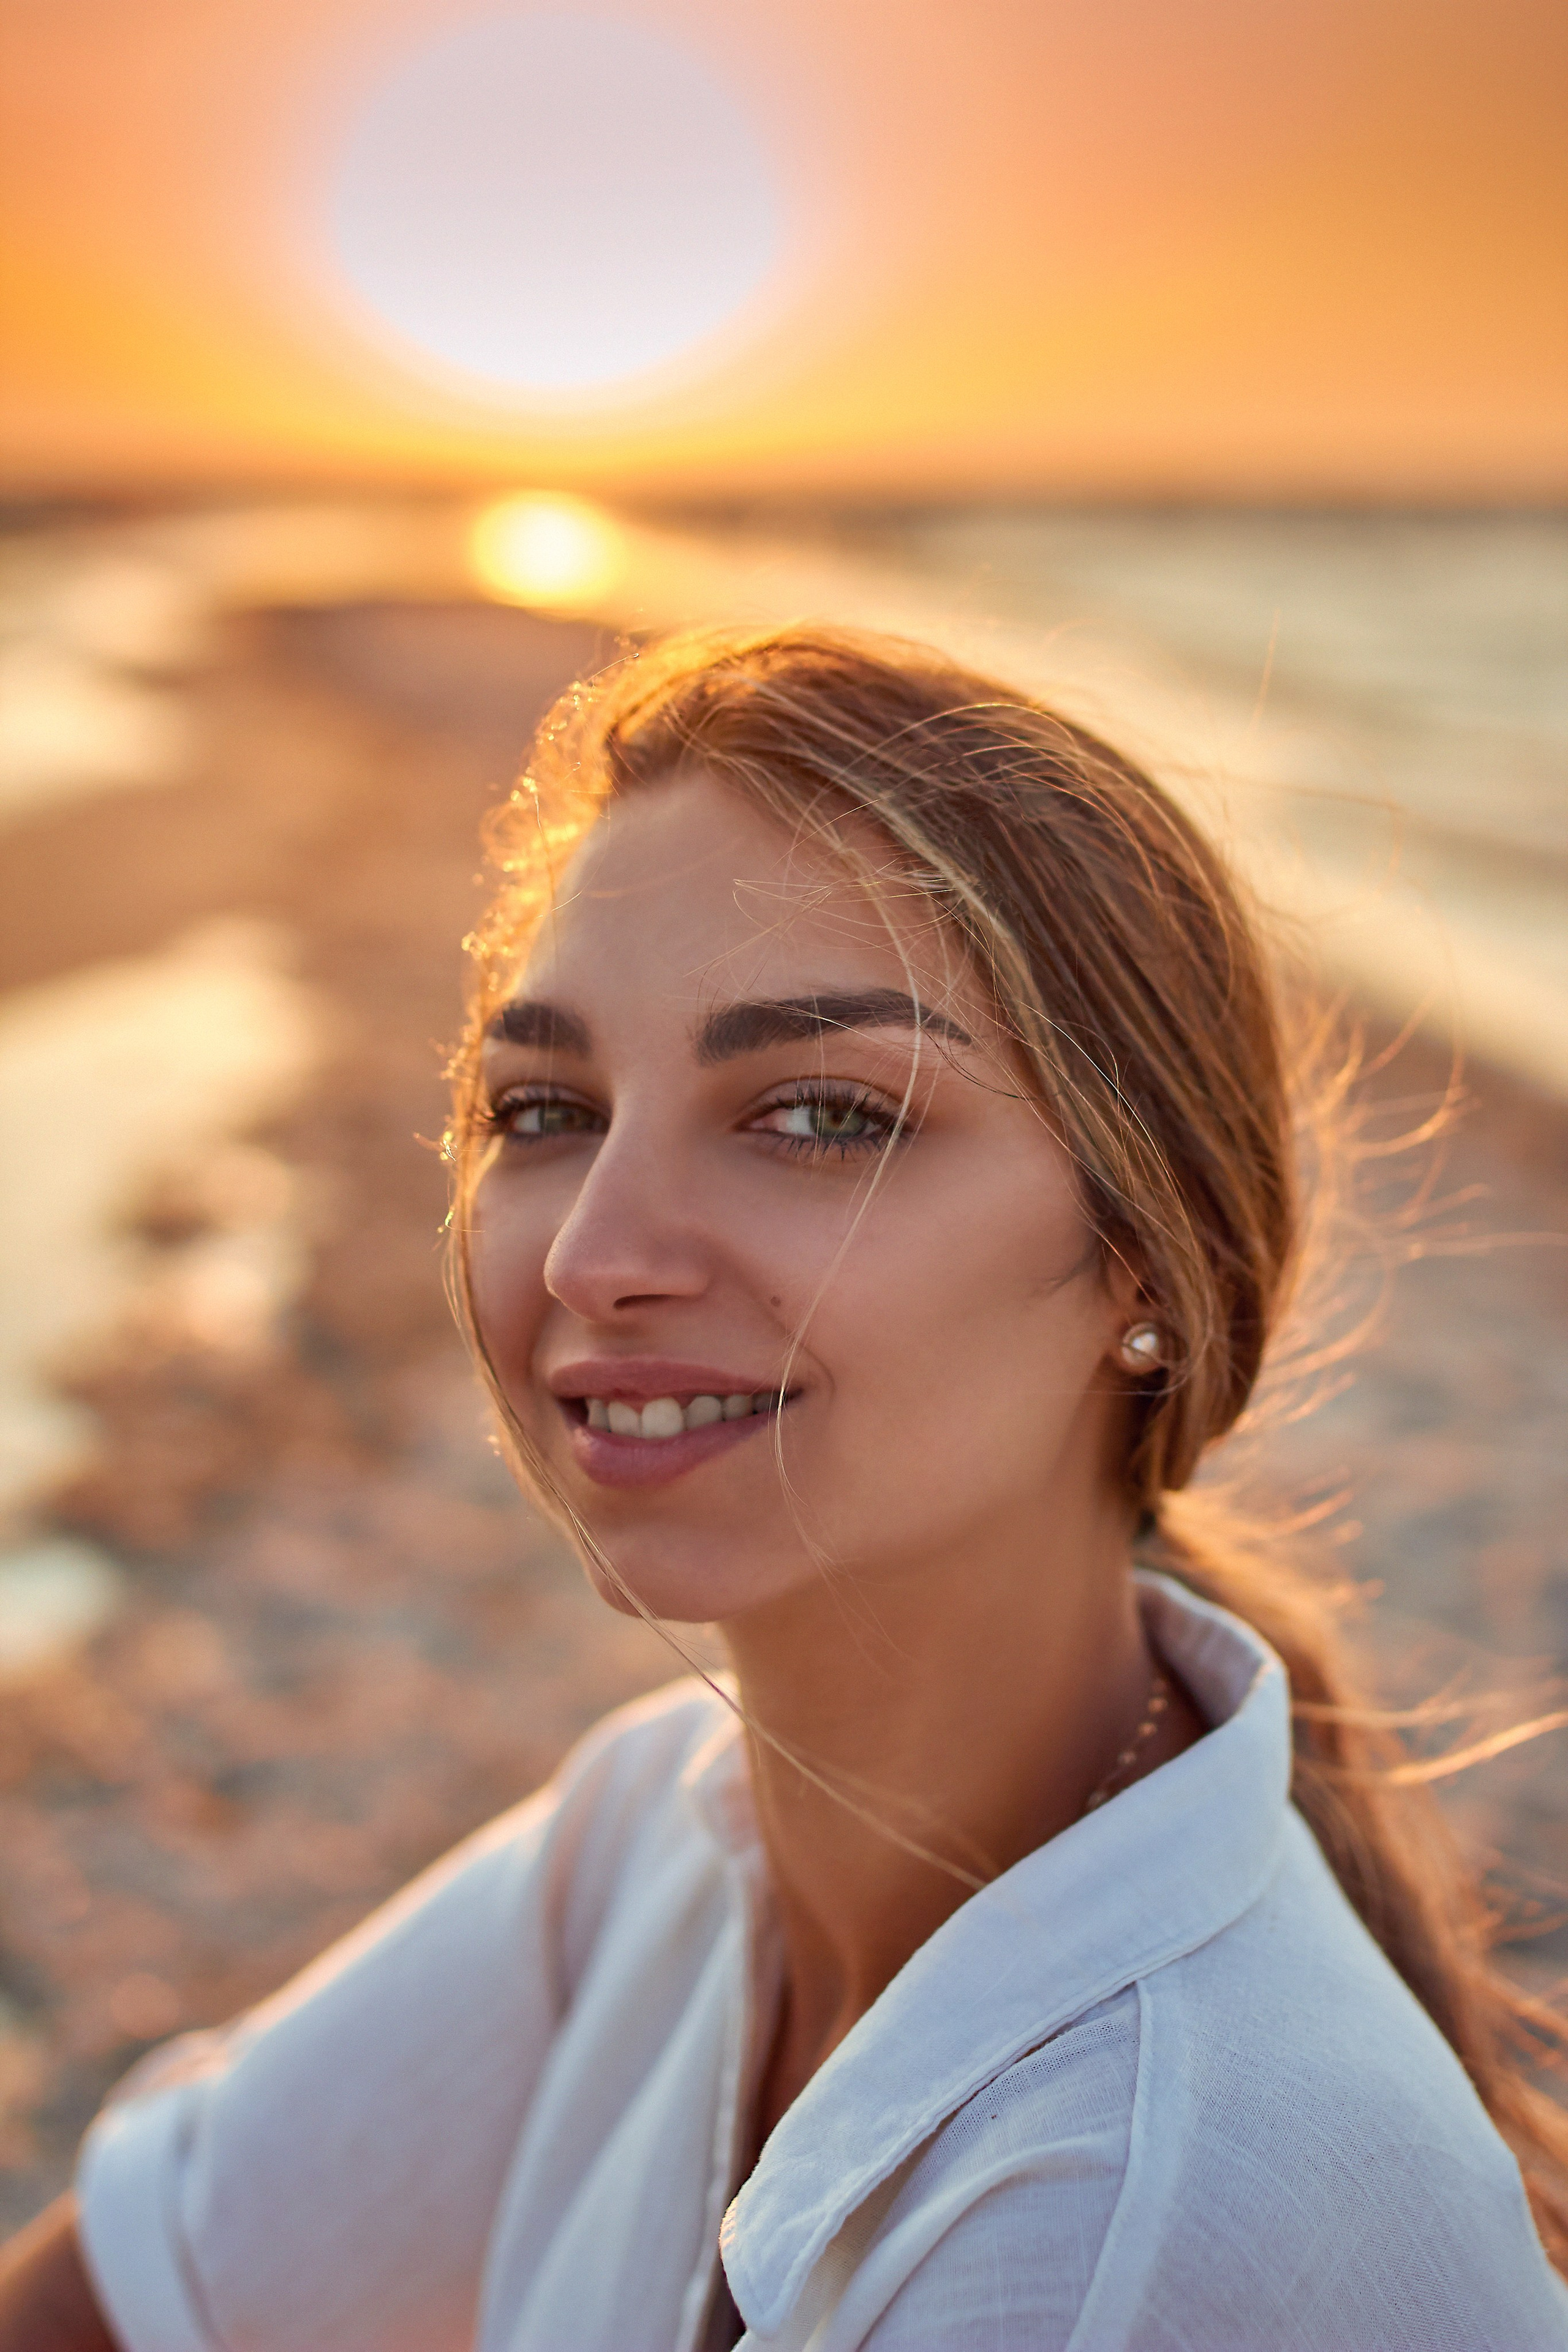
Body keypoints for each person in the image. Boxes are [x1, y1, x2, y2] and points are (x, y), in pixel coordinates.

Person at [2, 624, 1564, 2351]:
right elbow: (117, 2303)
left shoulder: (1136, 2224)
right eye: (545, 1109)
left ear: (1145, 1254)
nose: (597, 1254)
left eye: (820, 1115)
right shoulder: (665, 1843)